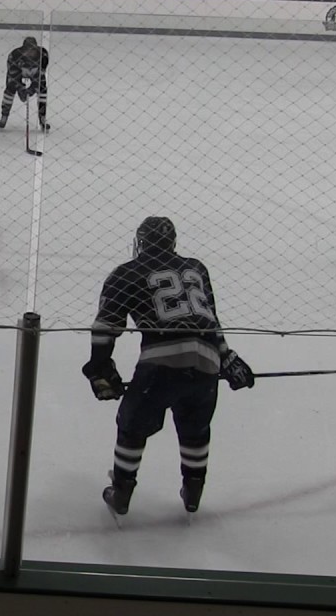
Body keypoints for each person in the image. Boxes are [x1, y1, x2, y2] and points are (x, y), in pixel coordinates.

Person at [82, 216, 255, 517]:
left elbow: (106, 326)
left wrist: (100, 368)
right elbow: (210, 321)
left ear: (140, 242)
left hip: (160, 364)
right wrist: (228, 359)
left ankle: (122, 491)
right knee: (195, 429)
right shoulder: (196, 268)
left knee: (132, 425)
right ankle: (193, 490)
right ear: (172, 243)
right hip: (206, 364)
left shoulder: (127, 272)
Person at [0, 37, 50, 132]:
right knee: (10, 89)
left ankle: (42, 117)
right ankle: (4, 115)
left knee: (43, 89)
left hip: (35, 73)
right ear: (23, 50)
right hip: (19, 72)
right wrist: (21, 88)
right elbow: (13, 76)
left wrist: (32, 89)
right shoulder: (14, 55)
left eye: (32, 50)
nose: (30, 53)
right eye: (27, 50)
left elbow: (40, 75)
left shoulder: (43, 55)